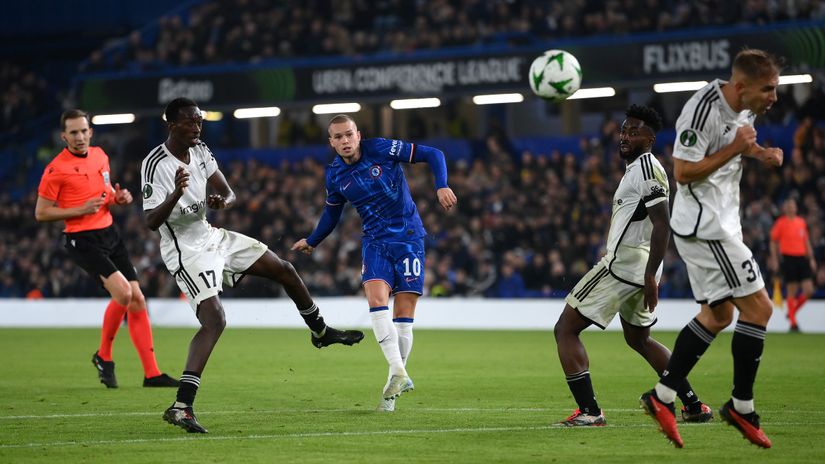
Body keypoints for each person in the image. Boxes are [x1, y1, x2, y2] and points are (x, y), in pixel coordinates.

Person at [142, 98, 364, 433]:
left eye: (199, 122)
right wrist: (175, 194)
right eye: (189, 123)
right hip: (185, 248)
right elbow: (150, 221)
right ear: (171, 124)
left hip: (211, 235)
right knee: (215, 319)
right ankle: (181, 406)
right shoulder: (155, 163)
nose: (197, 128)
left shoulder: (201, 149)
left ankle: (320, 332)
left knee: (284, 269)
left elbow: (228, 192)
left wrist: (223, 201)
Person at [640, 49, 784, 449]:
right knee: (759, 309)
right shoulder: (702, 110)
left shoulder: (746, 109)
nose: (773, 96)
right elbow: (683, 172)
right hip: (707, 226)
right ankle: (742, 406)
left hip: (714, 221)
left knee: (718, 315)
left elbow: (739, 142)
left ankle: (662, 396)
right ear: (741, 87)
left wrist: (760, 153)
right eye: (767, 89)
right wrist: (739, 148)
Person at [554, 105, 712, 427]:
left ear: (650, 138)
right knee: (639, 340)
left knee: (565, 329)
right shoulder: (637, 169)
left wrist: (651, 274)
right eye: (623, 131)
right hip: (637, 269)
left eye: (633, 132)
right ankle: (694, 406)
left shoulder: (646, 169)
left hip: (622, 266)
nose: (625, 136)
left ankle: (590, 411)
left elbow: (662, 224)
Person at [292, 114, 457, 412]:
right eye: (338, 137)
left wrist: (441, 185)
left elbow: (433, 154)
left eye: (349, 135)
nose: (345, 141)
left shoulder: (381, 148)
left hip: (409, 238)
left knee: (404, 316)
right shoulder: (335, 176)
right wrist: (313, 240)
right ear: (331, 142)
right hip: (375, 243)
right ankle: (398, 372)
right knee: (376, 300)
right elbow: (332, 213)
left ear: (358, 134)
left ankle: (390, 392)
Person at [35, 109, 179, 389]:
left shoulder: (101, 156)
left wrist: (118, 197)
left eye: (83, 131)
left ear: (91, 132)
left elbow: (105, 193)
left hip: (109, 233)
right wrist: (79, 209)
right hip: (82, 239)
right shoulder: (56, 169)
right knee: (124, 293)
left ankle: (152, 374)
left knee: (137, 299)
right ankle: (104, 355)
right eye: (73, 132)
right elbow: (41, 213)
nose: (79, 137)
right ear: (64, 136)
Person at [769, 198, 817, 332]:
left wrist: (811, 258)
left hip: (802, 258)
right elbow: (773, 242)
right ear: (784, 208)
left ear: (796, 208)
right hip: (788, 258)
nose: (790, 208)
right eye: (788, 206)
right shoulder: (780, 223)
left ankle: (791, 313)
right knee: (792, 290)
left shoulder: (801, 222)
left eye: (792, 206)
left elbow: (806, 241)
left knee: (809, 290)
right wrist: (774, 259)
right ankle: (793, 323)